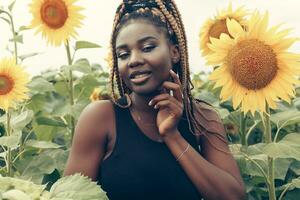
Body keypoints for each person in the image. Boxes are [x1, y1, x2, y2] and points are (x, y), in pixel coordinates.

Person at [64, 0, 245, 199]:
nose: (133, 60)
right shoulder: (101, 118)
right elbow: (70, 196)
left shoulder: (201, 118)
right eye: (123, 54)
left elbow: (234, 197)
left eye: (148, 47)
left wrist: (172, 136)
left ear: (174, 52)